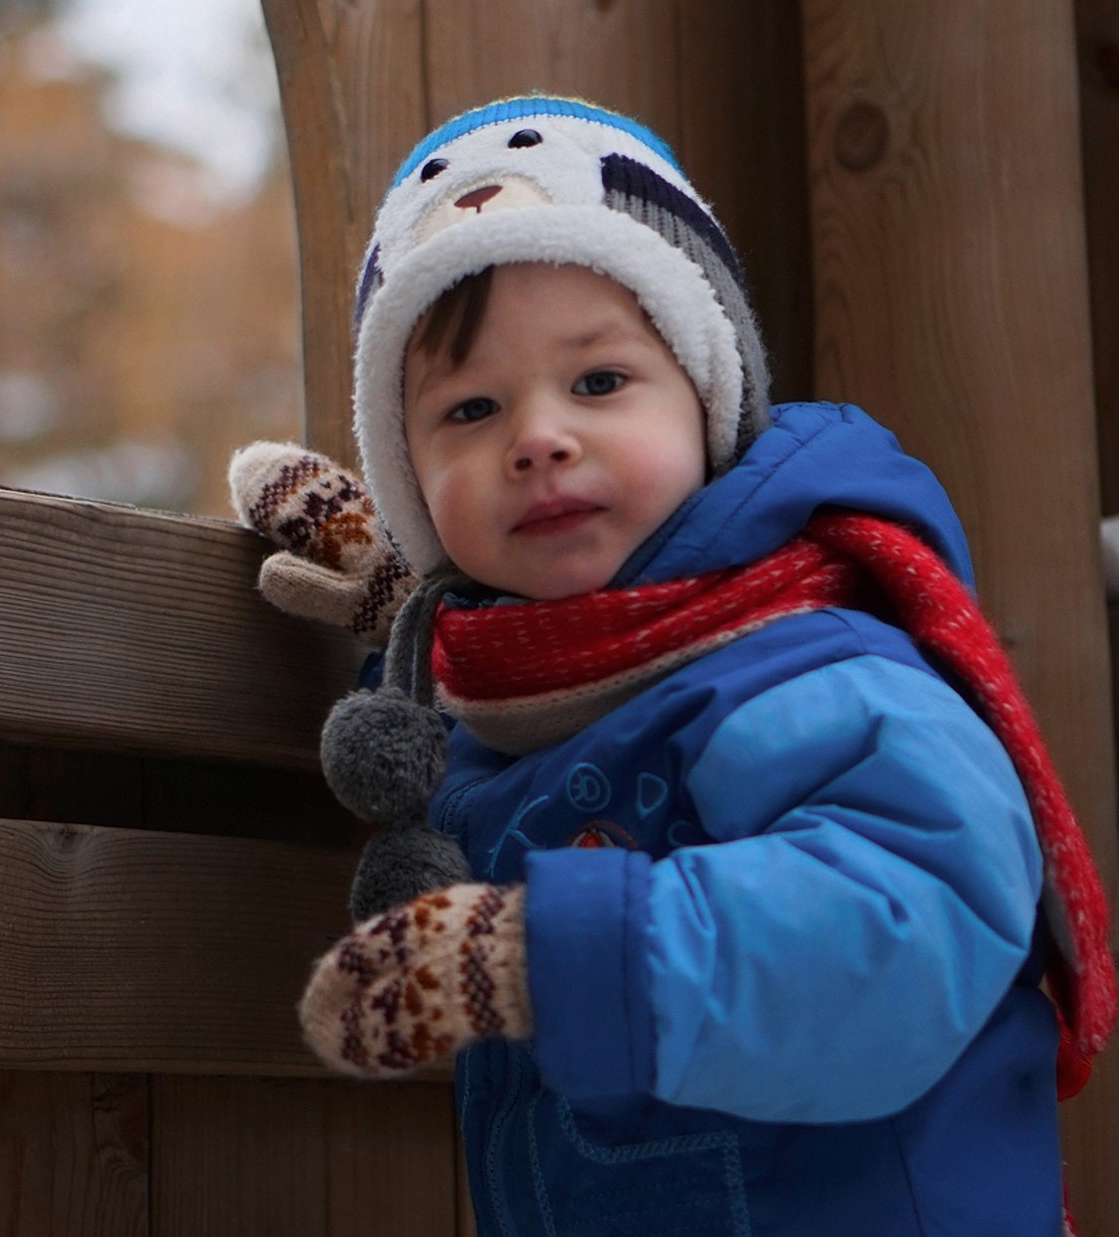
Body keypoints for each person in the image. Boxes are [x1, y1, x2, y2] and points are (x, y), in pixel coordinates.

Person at [230, 96, 1114, 1237]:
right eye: (470, 408)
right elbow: (451, 729)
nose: (537, 436)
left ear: (709, 402)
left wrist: (549, 956)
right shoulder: (510, 694)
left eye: (598, 382)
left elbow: (909, 923)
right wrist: (407, 612)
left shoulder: (798, 661)